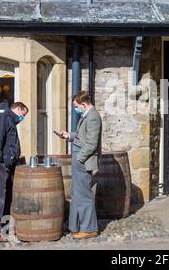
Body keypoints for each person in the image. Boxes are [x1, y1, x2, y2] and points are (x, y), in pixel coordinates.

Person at [60, 91, 102, 239]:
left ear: (84, 104)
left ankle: (89, 228)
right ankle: (76, 226)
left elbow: (91, 144)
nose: (76, 109)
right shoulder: (86, 116)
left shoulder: (93, 117)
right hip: (79, 158)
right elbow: (81, 137)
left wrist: (80, 158)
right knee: (76, 194)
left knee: (84, 194)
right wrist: (69, 136)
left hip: (83, 160)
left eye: (77, 106)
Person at [0, 102, 29, 242]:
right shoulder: (2, 119)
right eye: (23, 114)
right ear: (17, 109)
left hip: (8, 164)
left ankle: (4, 227)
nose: (23, 118)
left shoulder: (10, 121)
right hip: (1, 164)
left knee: (6, 198)